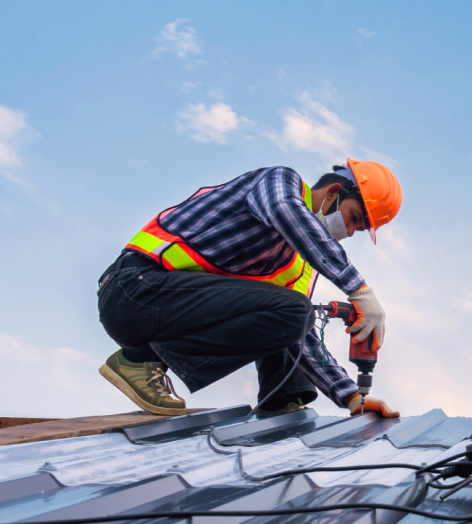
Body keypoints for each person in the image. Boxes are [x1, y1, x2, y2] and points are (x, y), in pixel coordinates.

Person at [96, 160, 402, 419]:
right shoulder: (279, 183)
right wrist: (359, 290)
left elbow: (301, 333)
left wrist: (350, 397)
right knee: (295, 307)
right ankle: (139, 361)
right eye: (353, 219)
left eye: (357, 230)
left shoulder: (295, 263)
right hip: (133, 292)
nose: (348, 232)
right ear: (335, 192)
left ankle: (280, 400)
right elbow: (287, 212)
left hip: (173, 313)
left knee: (295, 314)